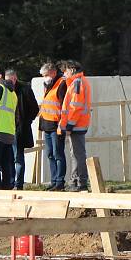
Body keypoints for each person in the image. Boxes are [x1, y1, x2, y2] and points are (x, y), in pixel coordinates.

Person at [60, 60, 92, 191]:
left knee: (77, 154)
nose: (64, 74)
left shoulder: (77, 83)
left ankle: (80, 182)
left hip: (77, 125)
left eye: (65, 71)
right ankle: (77, 181)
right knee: (77, 153)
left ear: (72, 70)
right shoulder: (79, 82)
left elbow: (75, 107)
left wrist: (69, 126)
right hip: (79, 124)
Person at [5, 68, 39, 190]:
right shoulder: (4, 90)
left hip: (19, 128)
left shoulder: (25, 89)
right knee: (9, 158)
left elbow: (34, 108)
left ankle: (18, 184)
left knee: (18, 157)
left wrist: (27, 121)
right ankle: (9, 182)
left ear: (15, 78)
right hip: (6, 128)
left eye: (11, 80)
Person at [38, 61, 68, 190]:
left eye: (46, 75)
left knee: (58, 154)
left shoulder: (61, 83)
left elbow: (64, 106)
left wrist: (62, 124)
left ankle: (60, 181)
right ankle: (54, 180)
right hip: (47, 125)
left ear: (53, 72)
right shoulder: (48, 85)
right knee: (50, 154)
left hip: (56, 125)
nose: (44, 77)